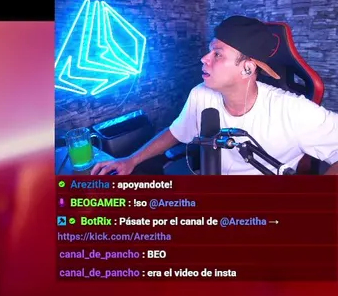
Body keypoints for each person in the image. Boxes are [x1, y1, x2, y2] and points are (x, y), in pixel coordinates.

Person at [91, 16, 338, 176]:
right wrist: (131, 160)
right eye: (210, 51)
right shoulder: (201, 94)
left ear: (247, 68)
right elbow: (177, 132)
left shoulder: (293, 111)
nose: (204, 58)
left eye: (217, 54)